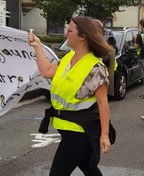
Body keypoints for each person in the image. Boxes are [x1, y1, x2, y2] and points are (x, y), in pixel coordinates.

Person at [28, 16, 112, 175]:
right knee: (88, 167)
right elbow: (47, 71)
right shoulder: (68, 58)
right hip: (67, 128)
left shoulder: (96, 68)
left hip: (79, 133)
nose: (66, 33)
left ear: (82, 36)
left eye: (70, 30)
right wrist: (37, 46)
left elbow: (103, 103)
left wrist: (105, 135)